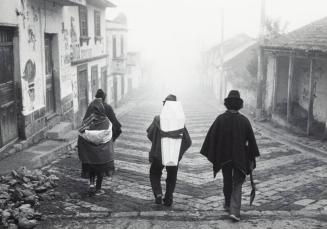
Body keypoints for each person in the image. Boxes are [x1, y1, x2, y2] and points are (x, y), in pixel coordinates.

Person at [200, 90, 260, 222]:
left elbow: (211, 138)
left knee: (227, 181)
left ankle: (227, 203)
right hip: (240, 157)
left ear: (227, 104)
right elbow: (251, 142)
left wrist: (216, 153)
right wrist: (251, 157)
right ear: (239, 105)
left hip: (225, 157)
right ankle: (235, 210)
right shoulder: (244, 121)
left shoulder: (220, 119)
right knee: (238, 183)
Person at [146, 94, 192, 206]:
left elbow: (149, 134)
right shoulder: (179, 121)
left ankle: (158, 194)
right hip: (173, 154)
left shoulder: (157, 119)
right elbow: (188, 141)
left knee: (154, 173)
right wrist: (179, 153)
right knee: (172, 176)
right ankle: (168, 198)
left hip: (158, 153)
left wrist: (157, 142)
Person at [77, 92, 119, 196]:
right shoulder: (106, 121)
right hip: (102, 155)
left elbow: (81, 133)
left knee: (91, 168)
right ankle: (98, 188)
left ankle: (91, 185)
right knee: (100, 169)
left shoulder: (87, 121)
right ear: (101, 109)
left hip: (90, 154)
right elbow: (109, 135)